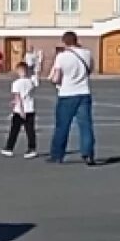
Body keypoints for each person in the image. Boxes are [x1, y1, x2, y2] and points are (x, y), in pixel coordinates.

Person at [48, 31, 96, 166]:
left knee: (62, 126)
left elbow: (57, 78)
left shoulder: (61, 57)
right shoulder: (86, 53)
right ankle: (88, 153)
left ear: (64, 42)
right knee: (86, 126)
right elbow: (90, 69)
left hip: (67, 94)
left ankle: (57, 155)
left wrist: (55, 82)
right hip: (83, 92)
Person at [2, 62, 39, 159]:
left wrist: (20, 109)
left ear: (18, 71)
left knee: (14, 130)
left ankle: (9, 148)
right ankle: (32, 148)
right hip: (30, 108)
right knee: (30, 130)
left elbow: (18, 97)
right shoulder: (31, 82)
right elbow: (26, 95)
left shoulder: (16, 83)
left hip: (19, 111)